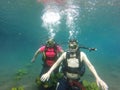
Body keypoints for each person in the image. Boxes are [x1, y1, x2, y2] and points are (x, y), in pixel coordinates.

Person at [40, 39, 108, 90]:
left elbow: (90, 66)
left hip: (76, 81)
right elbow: (56, 63)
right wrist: (48, 73)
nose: (72, 49)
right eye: (70, 46)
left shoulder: (82, 55)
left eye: (74, 46)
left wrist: (98, 78)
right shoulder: (64, 54)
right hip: (65, 80)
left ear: (77, 46)